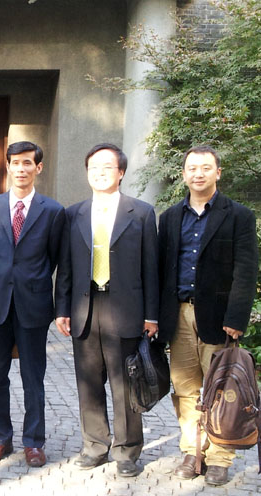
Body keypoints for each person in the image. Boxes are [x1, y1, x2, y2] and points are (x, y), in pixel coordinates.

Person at [55, 143, 158, 477]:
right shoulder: (73, 214)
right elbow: (66, 267)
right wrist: (62, 308)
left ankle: (127, 451)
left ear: (121, 172)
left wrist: (152, 315)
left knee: (125, 383)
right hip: (85, 307)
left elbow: (151, 268)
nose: (99, 173)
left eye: (107, 167)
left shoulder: (140, 213)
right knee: (88, 382)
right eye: (93, 168)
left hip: (125, 308)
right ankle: (95, 445)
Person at [157, 145, 258, 486]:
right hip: (179, 314)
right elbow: (163, 269)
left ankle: (219, 457)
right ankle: (192, 450)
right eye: (192, 168)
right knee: (186, 388)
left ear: (218, 172)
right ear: (183, 174)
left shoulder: (238, 215)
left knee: (221, 388)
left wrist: (237, 317)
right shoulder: (170, 217)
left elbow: (246, 270)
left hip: (219, 317)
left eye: (205, 167)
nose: (198, 173)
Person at [0, 141, 65, 467]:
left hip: (34, 304)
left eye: (27, 163)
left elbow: (56, 260)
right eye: (15, 162)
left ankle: (34, 442)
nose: (21, 168)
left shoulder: (52, 211)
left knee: (33, 377)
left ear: (38, 168)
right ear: (8, 166)